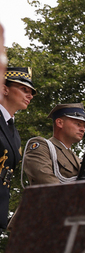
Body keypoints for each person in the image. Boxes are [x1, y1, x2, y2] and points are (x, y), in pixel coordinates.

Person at [1, 67, 36, 229]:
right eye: (23, 89)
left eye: (31, 92)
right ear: (4, 89)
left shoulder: (14, 132)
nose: (30, 95)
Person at [23, 103, 85, 186]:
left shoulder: (77, 160)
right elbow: (46, 180)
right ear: (59, 123)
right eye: (78, 124)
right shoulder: (42, 147)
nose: (83, 129)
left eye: (84, 126)